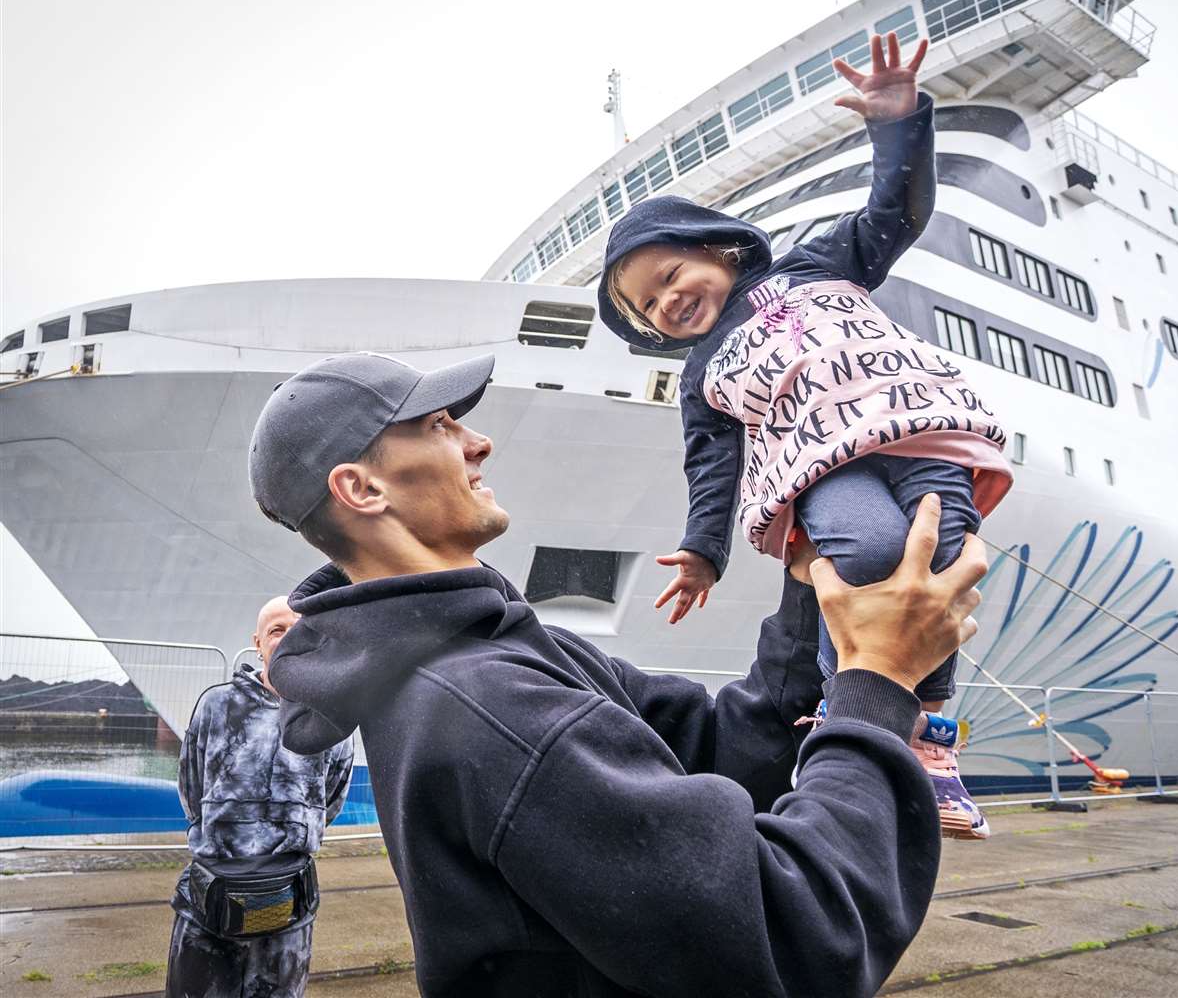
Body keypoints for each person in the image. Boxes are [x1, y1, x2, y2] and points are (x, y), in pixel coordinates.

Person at [248, 350, 986, 997]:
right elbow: (796, 940)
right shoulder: (485, 702)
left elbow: (729, 744)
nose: (478, 442)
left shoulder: (513, 652)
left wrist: (816, 574)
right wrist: (877, 682)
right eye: (440, 426)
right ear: (362, 490)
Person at [597, 32, 1011, 838]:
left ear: (713, 248)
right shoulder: (701, 374)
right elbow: (712, 466)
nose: (669, 301)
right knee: (859, 557)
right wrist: (702, 550)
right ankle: (847, 710)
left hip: (920, 428)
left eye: (672, 274)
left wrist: (898, 126)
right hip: (824, 466)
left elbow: (893, 215)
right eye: (650, 306)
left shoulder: (809, 266)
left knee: (946, 559)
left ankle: (926, 736)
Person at [166, 595, 355, 998]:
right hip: (211, 896)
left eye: (299, 629)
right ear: (257, 642)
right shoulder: (216, 706)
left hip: (287, 901)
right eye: (276, 630)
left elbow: (331, 797)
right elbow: (191, 785)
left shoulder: (333, 718)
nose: (288, 638)